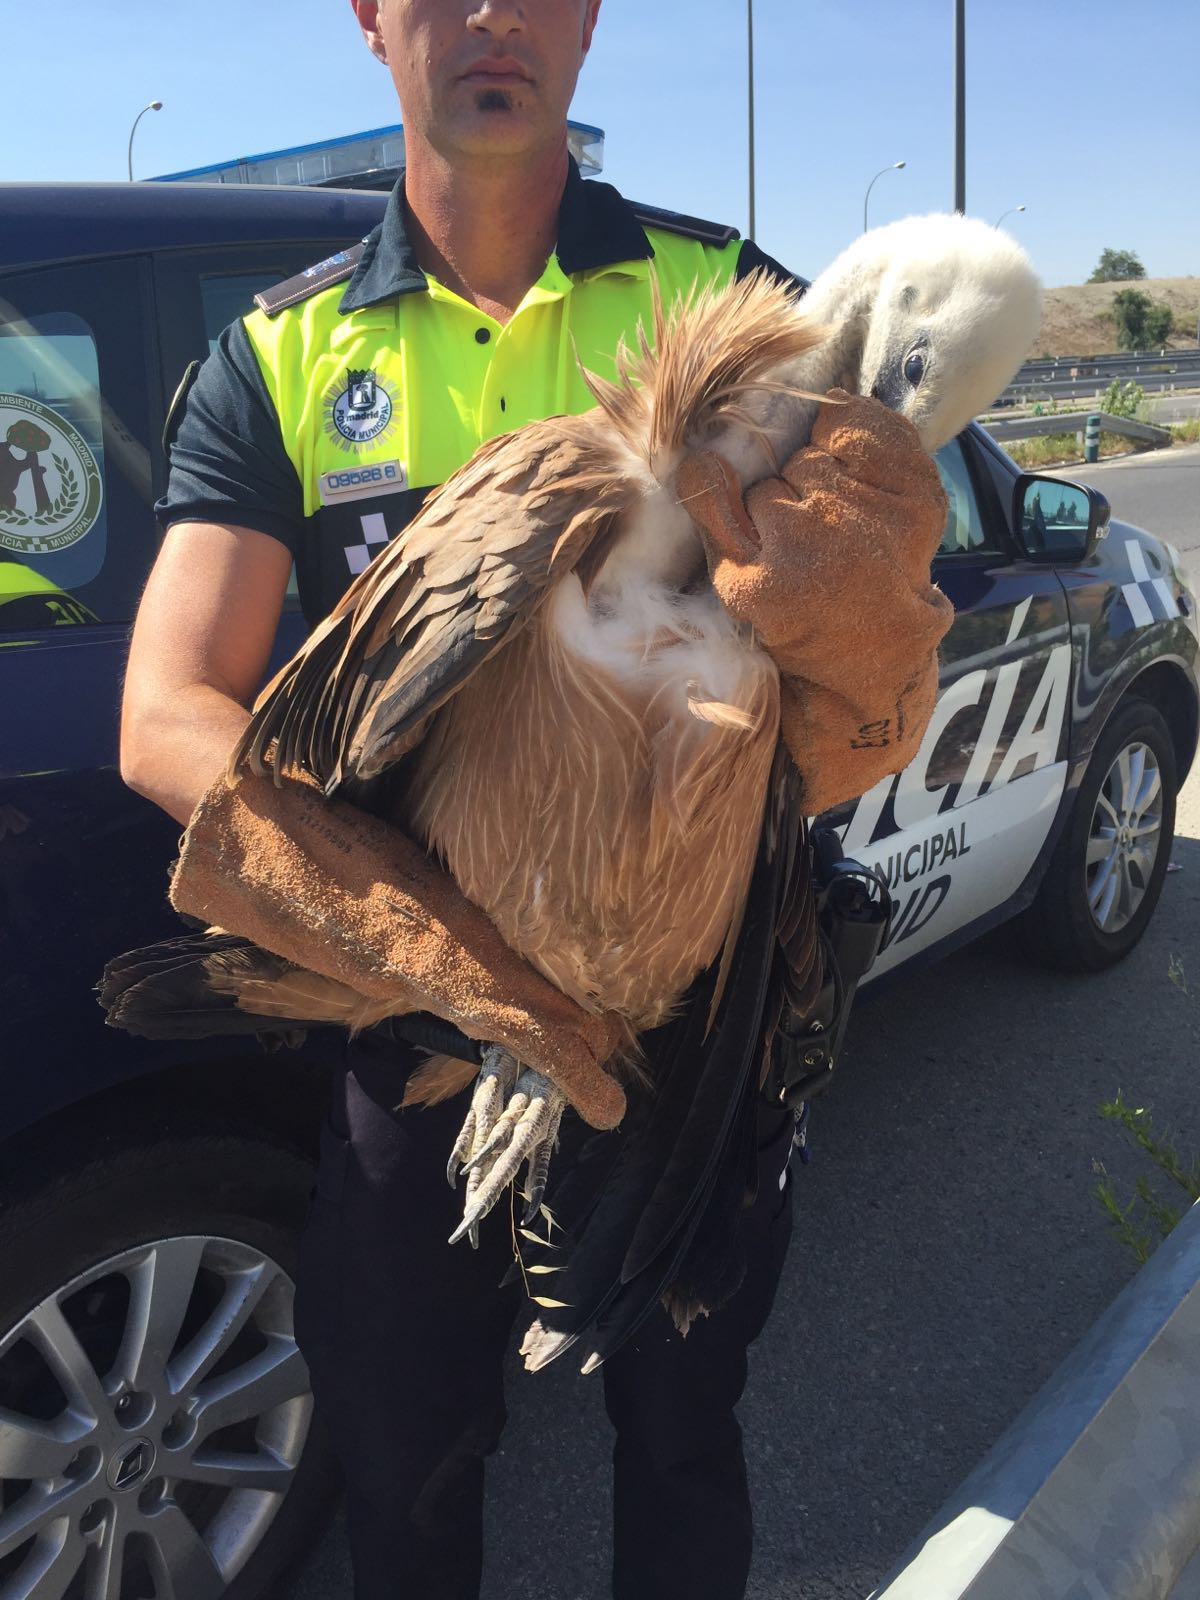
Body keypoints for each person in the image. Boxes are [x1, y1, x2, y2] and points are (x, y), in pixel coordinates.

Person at [119, 3, 949, 1596]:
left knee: (685, 1431)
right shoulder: (285, 353)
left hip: (696, 1022)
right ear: (372, 19)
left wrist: (857, 667)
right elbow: (167, 707)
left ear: (588, 20)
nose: (493, 17)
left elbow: (878, 679)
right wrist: (404, 930)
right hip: (414, 1022)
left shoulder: (736, 308)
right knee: (404, 1454)